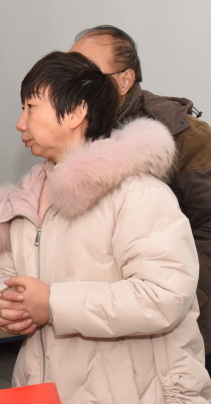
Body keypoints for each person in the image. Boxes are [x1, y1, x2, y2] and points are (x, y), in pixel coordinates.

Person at [0, 51, 211, 403]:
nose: (20, 123)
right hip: (42, 388)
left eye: (31, 107)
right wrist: (0, 303)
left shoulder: (137, 194)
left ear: (76, 112)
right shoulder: (26, 198)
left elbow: (163, 297)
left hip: (127, 392)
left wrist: (53, 303)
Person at [69, 25, 211, 371]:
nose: (74, 85)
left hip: (174, 320)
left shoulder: (185, 138)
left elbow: (208, 231)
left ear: (124, 80)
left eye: (88, 74)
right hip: (96, 315)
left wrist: (176, 300)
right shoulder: (74, 131)